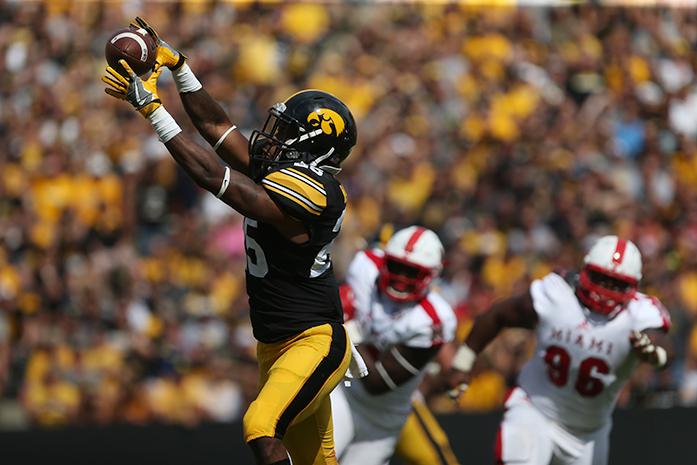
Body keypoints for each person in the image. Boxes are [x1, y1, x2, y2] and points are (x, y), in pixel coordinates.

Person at [102, 18, 358, 465]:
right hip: (275, 344)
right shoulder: (287, 171)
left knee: (260, 427)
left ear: (311, 146)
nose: (271, 137)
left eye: (286, 131)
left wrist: (152, 110)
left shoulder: (319, 193)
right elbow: (217, 126)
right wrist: (179, 67)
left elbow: (214, 177)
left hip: (313, 341)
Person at [447, 235, 673, 465]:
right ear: (585, 271)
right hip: (535, 412)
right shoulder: (557, 295)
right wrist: (462, 363)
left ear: (633, 287)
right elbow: (497, 315)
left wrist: (656, 355)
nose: (605, 290)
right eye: (600, 278)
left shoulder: (641, 314)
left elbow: (664, 347)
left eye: (616, 284)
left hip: (588, 434)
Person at [331, 226, 458, 465]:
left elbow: (378, 382)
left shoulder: (432, 319)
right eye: (396, 266)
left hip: (384, 420)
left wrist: (344, 330)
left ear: (431, 275)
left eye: (412, 271)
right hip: (344, 393)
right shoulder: (365, 266)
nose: (400, 277)